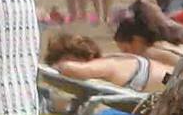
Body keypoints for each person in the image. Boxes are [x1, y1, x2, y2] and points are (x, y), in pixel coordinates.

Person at [43, 33, 172, 92]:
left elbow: (70, 68)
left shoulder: (102, 65)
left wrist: (56, 67)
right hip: (174, 80)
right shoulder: (110, 60)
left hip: (176, 85)